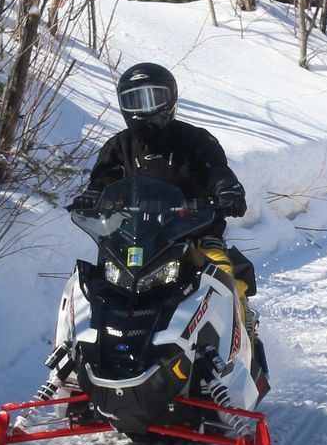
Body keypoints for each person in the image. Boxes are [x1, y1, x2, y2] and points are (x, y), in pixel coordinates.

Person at [72, 62, 262, 358]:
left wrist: (226, 189)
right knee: (94, 287)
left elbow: (214, 171)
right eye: (135, 100)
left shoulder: (194, 140)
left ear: (170, 99)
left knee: (221, 275)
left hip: (192, 236)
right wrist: (92, 197)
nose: (144, 109)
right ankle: (83, 355)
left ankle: (238, 346)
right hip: (133, 241)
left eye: (153, 98)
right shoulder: (118, 146)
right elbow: (104, 180)